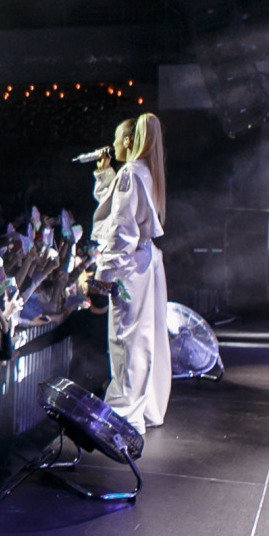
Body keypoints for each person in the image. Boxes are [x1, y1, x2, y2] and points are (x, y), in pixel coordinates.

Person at [89, 113, 171, 434]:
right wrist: (104, 175)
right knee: (145, 337)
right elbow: (118, 208)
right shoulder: (144, 172)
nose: (110, 145)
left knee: (126, 338)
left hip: (128, 266)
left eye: (115, 139)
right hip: (145, 261)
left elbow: (121, 228)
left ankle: (124, 412)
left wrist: (105, 274)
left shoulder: (130, 173)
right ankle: (143, 406)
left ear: (128, 141)